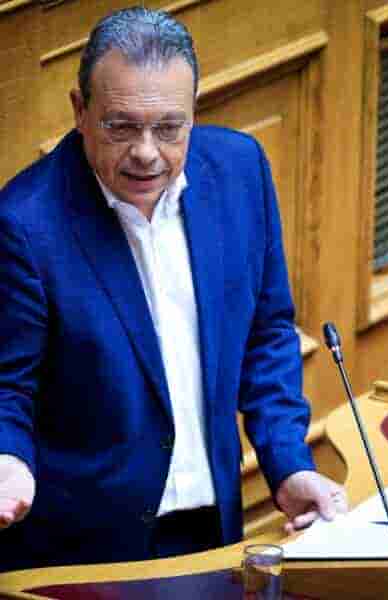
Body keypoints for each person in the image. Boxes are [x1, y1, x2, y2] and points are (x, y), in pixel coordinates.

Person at [0, 6, 346, 571]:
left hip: (213, 527)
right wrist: (8, 458)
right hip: (85, 550)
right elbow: (7, 385)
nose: (146, 152)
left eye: (168, 128)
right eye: (121, 126)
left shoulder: (241, 171)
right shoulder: (24, 224)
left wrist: (287, 463)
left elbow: (266, 335)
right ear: (80, 110)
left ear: (193, 111)